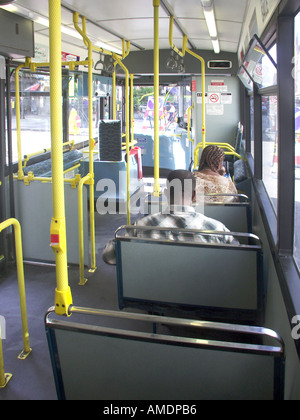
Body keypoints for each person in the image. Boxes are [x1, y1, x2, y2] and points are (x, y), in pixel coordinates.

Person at [102, 169, 237, 265]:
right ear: (195, 195)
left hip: (149, 298)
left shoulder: (141, 226)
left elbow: (110, 256)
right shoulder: (217, 229)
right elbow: (239, 258)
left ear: (166, 193)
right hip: (202, 300)